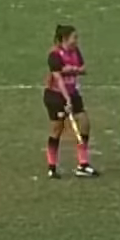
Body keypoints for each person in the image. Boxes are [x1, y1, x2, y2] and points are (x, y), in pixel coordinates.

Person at [43, 24, 98, 178]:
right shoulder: (54, 55)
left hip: (73, 93)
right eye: (74, 37)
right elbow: (58, 79)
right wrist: (67, 100)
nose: (76, 40)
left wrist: (69, 69)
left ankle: (83, 163)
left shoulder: (75, 51)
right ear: (65, 39)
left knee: (85, 123)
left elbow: (83, 68)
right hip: (55, 95)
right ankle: (52, 166)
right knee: (57, 129)